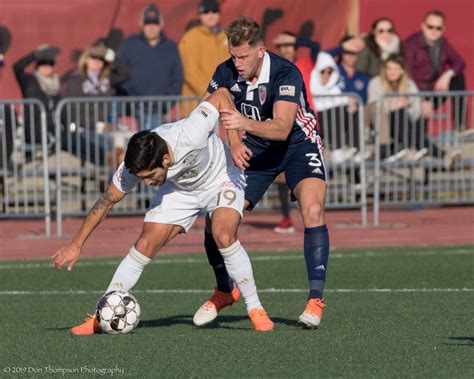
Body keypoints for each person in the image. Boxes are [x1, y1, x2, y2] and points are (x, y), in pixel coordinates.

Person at [52, 88, 274, 334]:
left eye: (150, 177)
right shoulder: (134, 165)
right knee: (144, 244)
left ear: (166, 160)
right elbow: (106, 201)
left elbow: (221, 95)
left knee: (223, 235)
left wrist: (234, 141)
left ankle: (255, 308)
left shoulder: (191, 131)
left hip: (221, 176)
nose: (146, 183)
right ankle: (99, 317)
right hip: (180, 189)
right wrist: (77, 244)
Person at [194, 16, 330, 329]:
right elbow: (207, 110)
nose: (237, 63)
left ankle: (315, 299)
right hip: (254, 152)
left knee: (312, 209)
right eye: (233, 55)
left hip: (298, 145)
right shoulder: (225, 70)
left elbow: (282, 129)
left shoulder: (285, 72)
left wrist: (240, 125)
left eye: (243, 56)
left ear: (260, 51)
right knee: (217, 219)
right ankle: (224, 291)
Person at [367, 54, 461, 168]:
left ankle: (418, 150)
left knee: (403, 117)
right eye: (389, 68)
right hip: (383, 126)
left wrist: (407, 105)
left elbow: (417, 110)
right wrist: (393, 105)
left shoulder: (409, 84)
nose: (392, 72)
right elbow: (373, 107)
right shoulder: (376, 83)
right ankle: (440, 154)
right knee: (400, 115)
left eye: (396, 69)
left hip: (406, 124)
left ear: (402, 71)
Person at [62, 42, 130, 166]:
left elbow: (125, 74)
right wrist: (95, 125)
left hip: (104, 126)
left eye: (101, 59)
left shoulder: (106, 79)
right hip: (85, 128)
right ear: (86, 59)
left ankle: (113, 173)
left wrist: (112, 56)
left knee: (123, 140)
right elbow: (74, 109)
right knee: (110, 145)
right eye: (93, 57)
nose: (97, 61)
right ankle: (110, 172)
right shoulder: (76, 80)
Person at [118, 4, 183, 129]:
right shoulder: (129, 44)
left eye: (155, 23)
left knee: (153, 142)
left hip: (158, 108)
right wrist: (130, 96)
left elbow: (177, 78)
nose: (151, 28)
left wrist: (167, 102)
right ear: (141, 24)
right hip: (132, 108)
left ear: (161, 24)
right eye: (148, 23)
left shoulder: (171, 48)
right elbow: (119, 72)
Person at [403, 9, 466, 127]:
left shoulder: (442, 43)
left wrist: (448, 75)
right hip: (416, 92)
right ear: (422, 26)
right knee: (417, 133)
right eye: (430, 27)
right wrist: (422, 100)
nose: (434, 31)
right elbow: (408, 76)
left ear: (443, 29)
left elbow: (460, 62)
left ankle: (460, 125)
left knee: (458, 77)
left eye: (438, 28)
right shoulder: (411, 45)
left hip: (434, 88)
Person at [178, 0, 228, 116]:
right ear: (200, 15)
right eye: (206, 12)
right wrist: (212, 93)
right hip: (196, 104)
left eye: (214, 11)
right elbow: (190, 73)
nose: (211, 15)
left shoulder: (226, 36)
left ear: (220, 14)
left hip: (222, 102)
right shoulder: (191, 37)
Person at [13, 45, 62, 144]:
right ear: (37, 66)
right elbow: (17, 67)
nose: (46, 66)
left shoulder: (57, 84)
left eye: (50, 64)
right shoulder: (29, 80)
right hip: (34, 130)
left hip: (54, 129)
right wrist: (35, 55)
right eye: (42, 63)